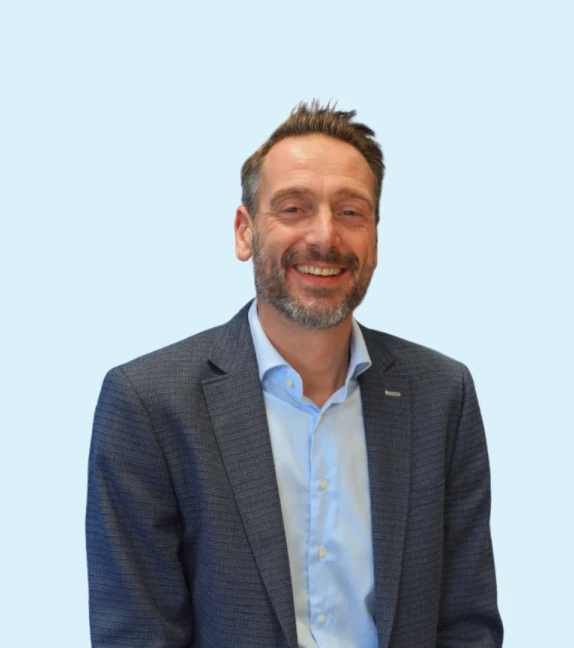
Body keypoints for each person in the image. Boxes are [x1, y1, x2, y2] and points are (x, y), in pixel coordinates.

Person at [86, 101, 503, 648]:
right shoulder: (148, 405)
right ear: (245, 232)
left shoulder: (442, 396)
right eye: (293, 208)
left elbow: (468, 625)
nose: (325, 236)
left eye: (350, 212)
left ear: (375, 239)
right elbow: (137, 635)